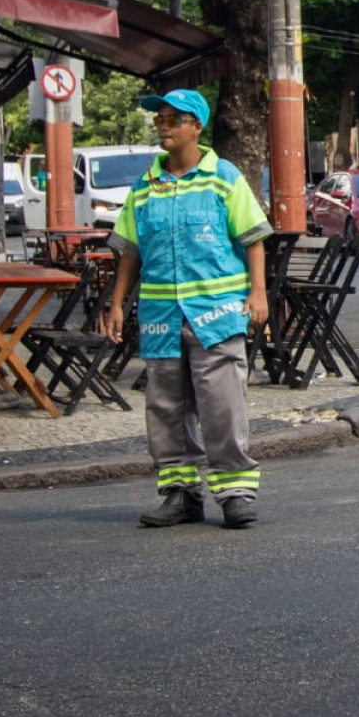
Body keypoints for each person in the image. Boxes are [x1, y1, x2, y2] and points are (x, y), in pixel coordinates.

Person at [102, 89, 272, 530]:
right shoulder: (145, 186)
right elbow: (130, 251)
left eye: (174, 119)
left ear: (196, 126)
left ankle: (234, 492)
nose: (164, 125)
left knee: (222, 405)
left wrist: (259, 293)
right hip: (161, 315)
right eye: (160, 119)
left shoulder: (224, 178)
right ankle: (180, 494)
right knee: (165, 407)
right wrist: (117, 303)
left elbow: (253, 238)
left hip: (216, 313)